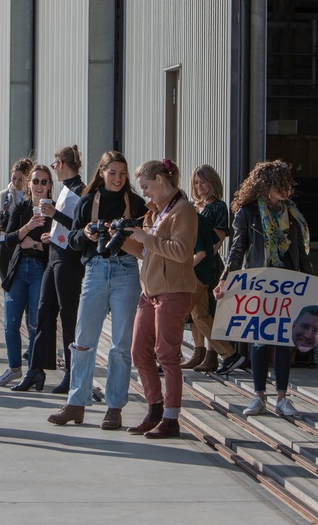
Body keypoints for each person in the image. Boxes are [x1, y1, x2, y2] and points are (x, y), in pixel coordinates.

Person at [47, 151, 147, 430]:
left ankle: (114, 407)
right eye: (112, 172)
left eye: (123, 173)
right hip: (95, 270)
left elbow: (145, 243)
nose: (118, 178)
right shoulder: (87, 201)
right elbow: (75, 240)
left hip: (127, 271)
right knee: (83, 340)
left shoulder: (136, 204)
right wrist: (88, 234)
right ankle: (76, 402)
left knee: (120, 346)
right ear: (101, 172)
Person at [214, 160, 315, 418]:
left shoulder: (292, 212)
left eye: (287, 185)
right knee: (260, 341)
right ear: (264, 186)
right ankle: (258, 396)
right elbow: (237, 251)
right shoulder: (247, 212)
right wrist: (225, 279)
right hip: (259, 282)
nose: (285, 190)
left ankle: (282, 397)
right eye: (279, 185)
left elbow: (302, 253)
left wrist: (313, 285)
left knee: (283, 341)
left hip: (287, 282)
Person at [124, 159, 197, 439]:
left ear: (160, 179)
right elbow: (145, 253)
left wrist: (145, 238)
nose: (144, 193)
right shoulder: (155, 213)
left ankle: (171, 417)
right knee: (139, 351)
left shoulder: (184, 210)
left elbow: (180, 252)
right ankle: (154, 409)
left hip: (174, 290)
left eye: (145, 186)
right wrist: (120, 239)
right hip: (150, 291)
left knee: (167, 356)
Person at [13, 145, 86, 393]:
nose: (54, 168)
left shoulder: (79, 190)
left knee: (67, 316)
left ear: (62, 164)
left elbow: (80, 226)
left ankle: (71, 373)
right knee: (44, 313)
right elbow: (66, 226)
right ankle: (36, 369)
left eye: (55, 164)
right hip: (55, 255)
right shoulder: (67, 189)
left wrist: (54, 214)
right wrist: (51, 235)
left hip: (69, 261)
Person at [0, 165, 53, 386]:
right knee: (10, 323)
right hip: (18, 268)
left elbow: (58, 246)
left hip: (40, 270)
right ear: (28, 184)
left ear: (50, 186)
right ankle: (14, 367)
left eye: (44, 182)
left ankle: (34, 371)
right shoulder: (21, 208)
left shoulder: (54, 210)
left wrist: (37, 244)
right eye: (36, 181)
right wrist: (27, 228)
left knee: (34, 323)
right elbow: (8, 239)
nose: (39, 186)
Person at [181, 165, 241, 376]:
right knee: (197, 314)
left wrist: (198, 257)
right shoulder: (190, 206)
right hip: (190, 262)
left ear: (213, 182)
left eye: (203, 182)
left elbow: (217, 241)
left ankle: (212, 354)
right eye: (196, 183)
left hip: (206, 265)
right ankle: (202, 354)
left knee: (199, 312)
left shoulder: (218, 206)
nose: (200, 187)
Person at [0, 158, 35, 280]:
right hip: (4, 239)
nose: (16, 182)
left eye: (21, 179)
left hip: (23, 241)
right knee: (5, 279)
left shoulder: (32, 196)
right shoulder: (3, 195)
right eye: (14, 178)